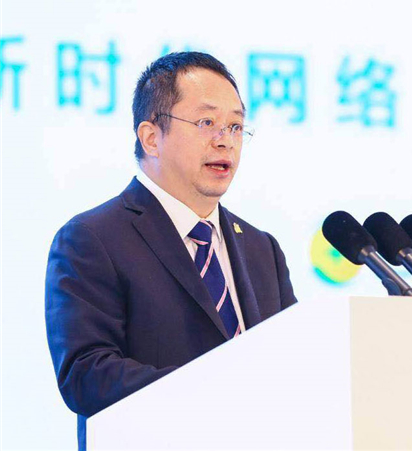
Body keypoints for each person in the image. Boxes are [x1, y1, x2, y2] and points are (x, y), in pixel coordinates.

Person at [45, 52, 297, 433]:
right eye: (207, 122)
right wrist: (218, 392)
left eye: (235, 126)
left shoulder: (263, 250)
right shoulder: (92, 239)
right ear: (151, 138)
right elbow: (87, 375)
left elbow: (292, 362)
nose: (225, 142)